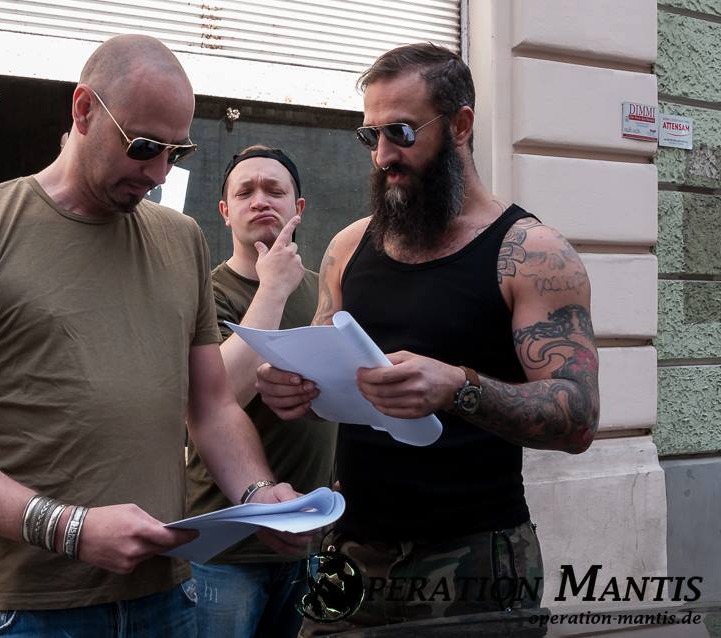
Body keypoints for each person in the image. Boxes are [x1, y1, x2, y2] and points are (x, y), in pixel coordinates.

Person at [0, 35, 309, 638]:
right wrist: (72, 529)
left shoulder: (181, 239)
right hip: (22, 612)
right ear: (83, 110)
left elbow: (212, 406)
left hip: (168, 597)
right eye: (142, 147)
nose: (159, 172)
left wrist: (260, 492)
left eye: (176, 151)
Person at [255, 43, 600, 633]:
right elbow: (323, 368)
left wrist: (458, 387)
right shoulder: (348, 247)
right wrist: (293, 388)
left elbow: (578, 417)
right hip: (352, 552)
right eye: (371, 137)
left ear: (461, 125)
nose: (384, 155)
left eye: (402, 132)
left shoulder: (531, 254)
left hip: (477, 559)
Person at [185, 146, 338, 638]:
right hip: (224, 549)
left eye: (275, 190)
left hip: (310, 539)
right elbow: (215, 395)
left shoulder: (325, 292)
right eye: (244, 192)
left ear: (299, 207)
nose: (261, 201)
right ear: (225, 212)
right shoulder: (202, 295)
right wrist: (271, 290)